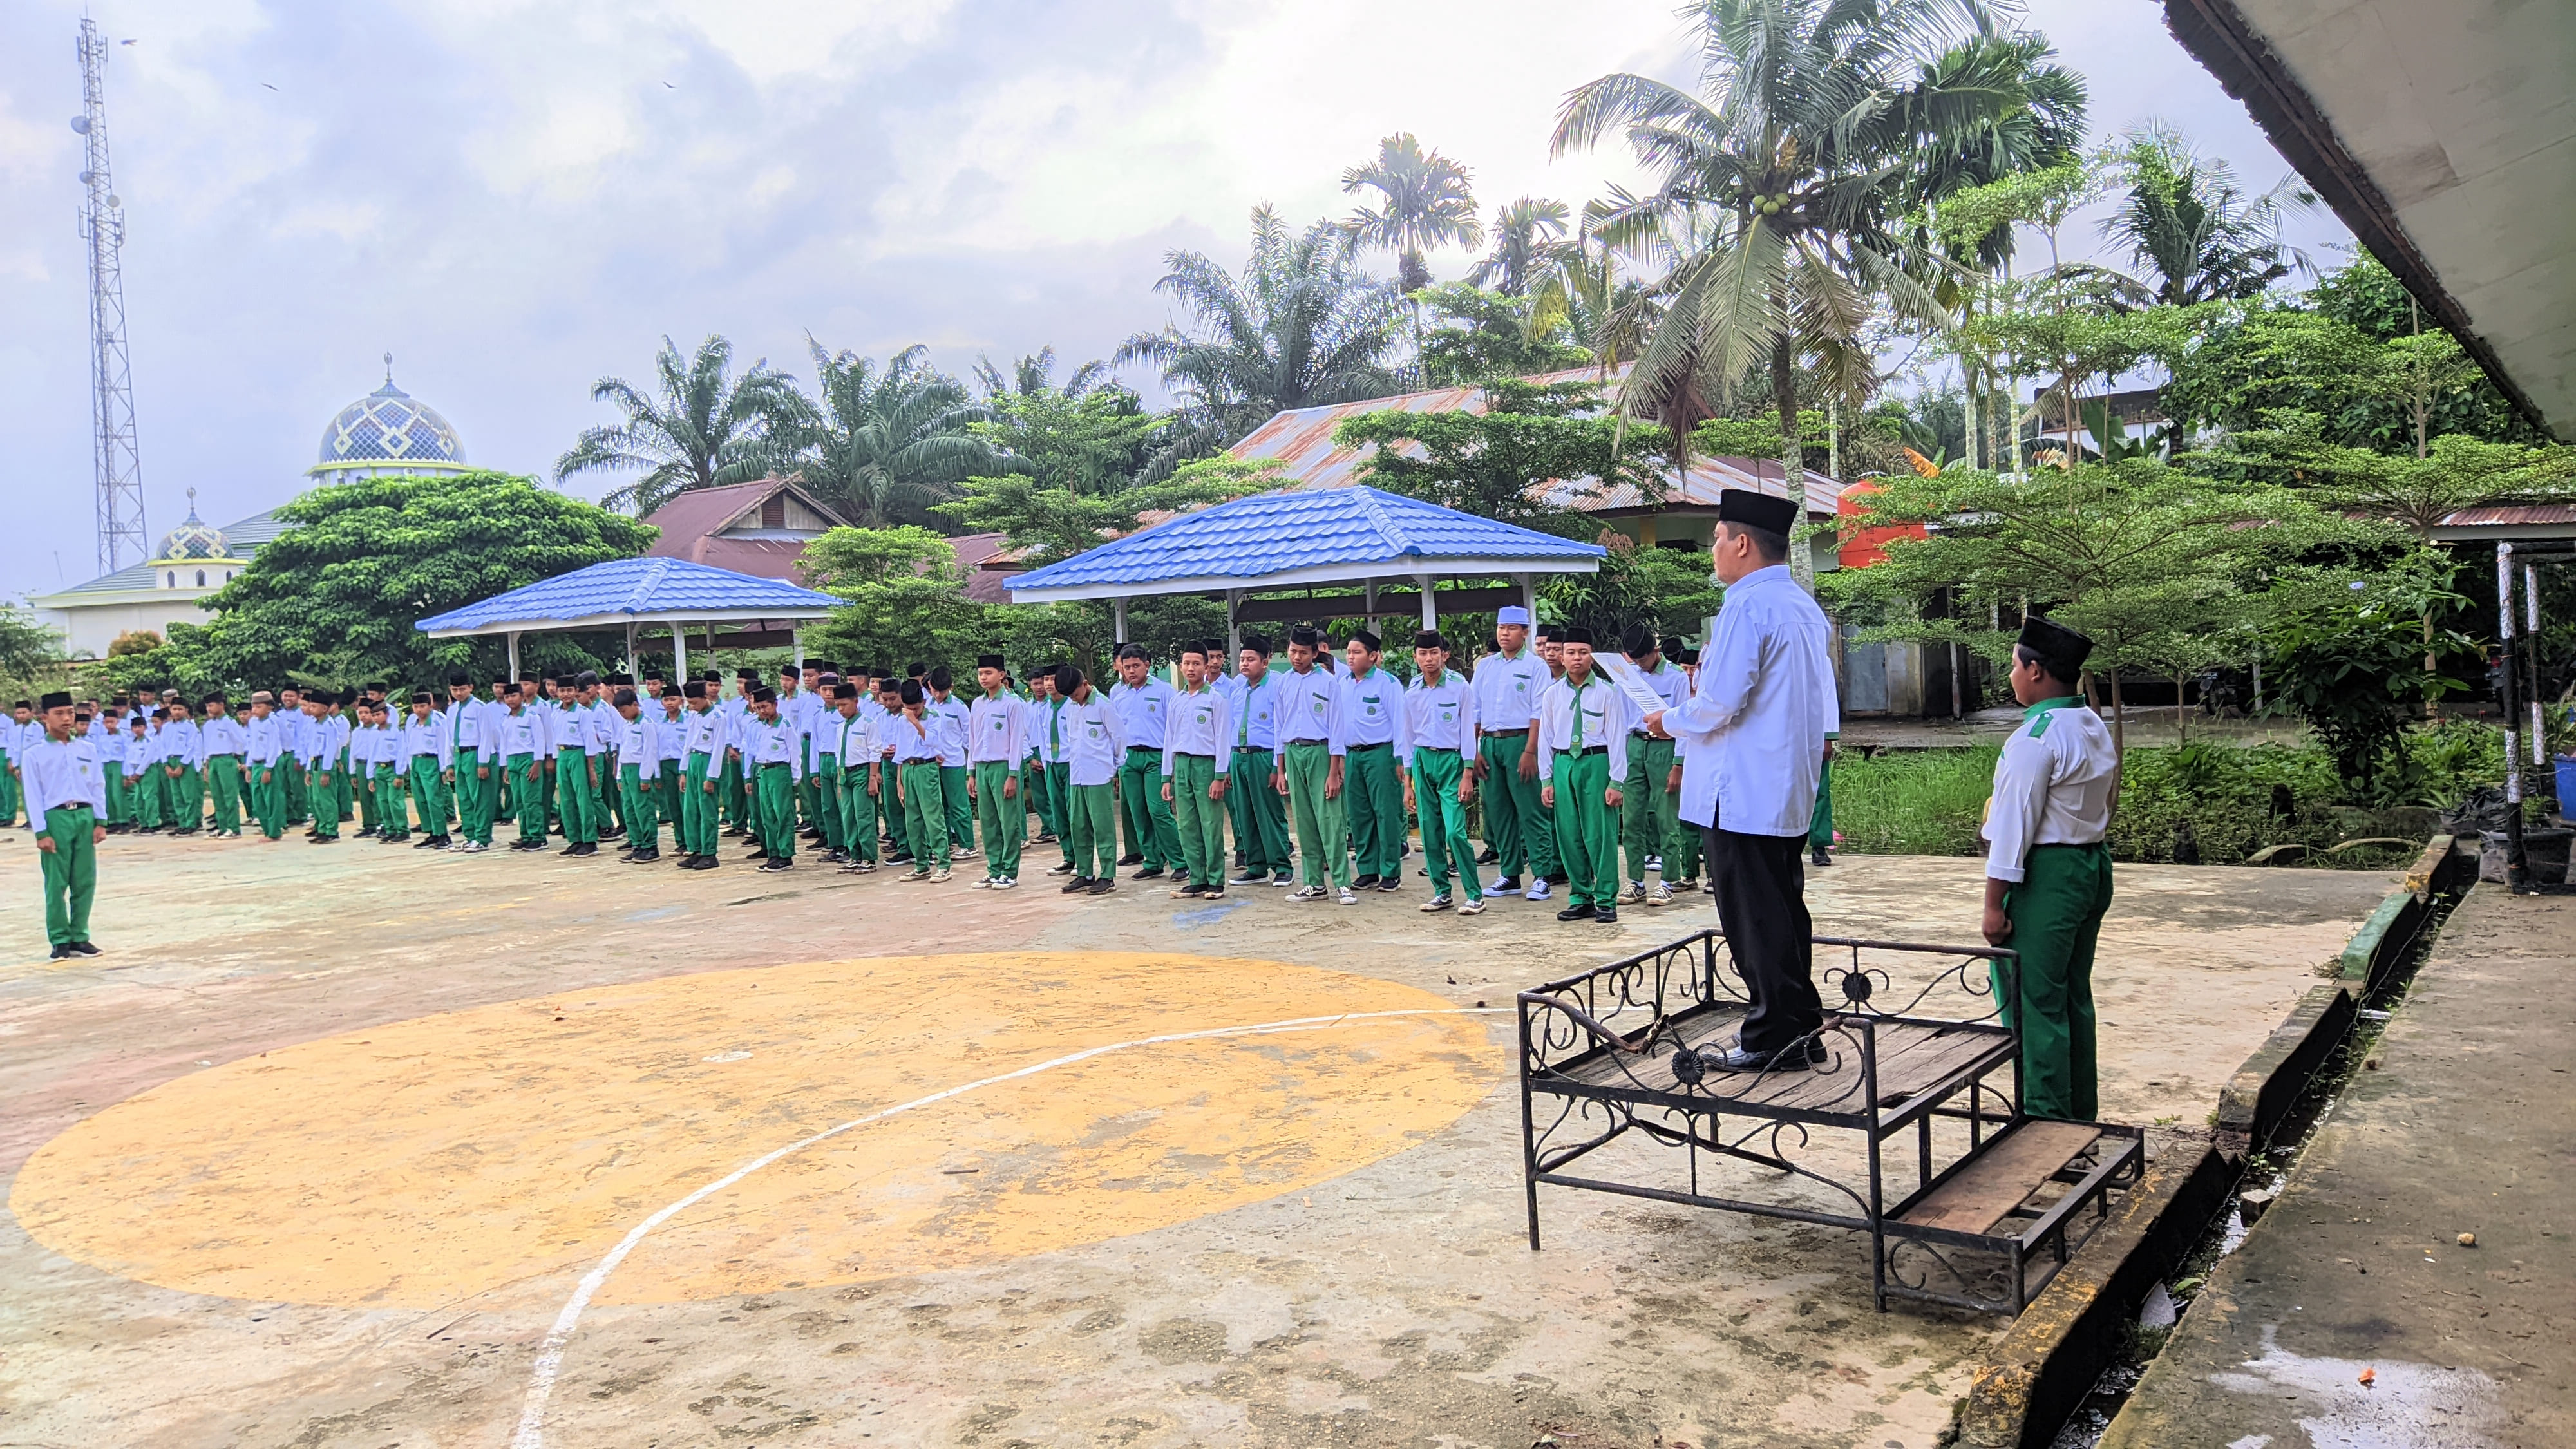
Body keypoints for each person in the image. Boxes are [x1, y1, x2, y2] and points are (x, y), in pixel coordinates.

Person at [1649, 489, 1839, 1073]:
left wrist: (1666, 721)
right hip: (1781, 788)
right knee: (1782, 909)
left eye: (1716, 538)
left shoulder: (1745, 606)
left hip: (1742, 791)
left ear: (1743, 543)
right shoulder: (1803, 606)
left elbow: (1720, 702)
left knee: (1754, 918)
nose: (1713, 550)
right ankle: (1799, 1025)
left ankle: (1770, 1035)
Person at [1981, 615, 2118, 1122]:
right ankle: (2079, 1113)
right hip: (2090, 865)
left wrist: (1994, 904)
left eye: (2014, 665)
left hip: (2047, 876)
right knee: (2072, 997)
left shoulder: (2035, 737)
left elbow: (2012, 831)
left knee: (2034, 1004)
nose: (2011, 675)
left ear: (2036, 671)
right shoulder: (2090, 724)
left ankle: (2046, 1123)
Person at [1537, 628, 1631, 923]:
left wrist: (1616, 781)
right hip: (1564, 763)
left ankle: (1606, 899)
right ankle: (1580, 896)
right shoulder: (1552, 694)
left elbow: (1617, 737)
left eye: (1583, 652)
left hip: (1596, 762)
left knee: (1600, 835)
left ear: (1593, 656)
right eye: (1571, 653)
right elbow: (1546, 737)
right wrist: (1547, 779)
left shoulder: (1607, 692)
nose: (1577, 658)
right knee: (1569, 834)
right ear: (1561, 657)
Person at [1472, 605, 1552, 901]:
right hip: (1490, 743)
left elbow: (1538, 712)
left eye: (1512, 628)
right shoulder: (1486, 667)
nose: (1504, 634)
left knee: (1531, 811)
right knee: (1498, 811)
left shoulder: (1535, 667)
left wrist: (1531, 751)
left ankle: (1543, 874)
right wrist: (1475, 751)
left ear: (1525, 632)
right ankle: (1510, 874)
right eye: (1501, 628)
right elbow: (1475, 710)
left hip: (1521, 741)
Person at [1403, 630, 1484, 914]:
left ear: (1444, 655)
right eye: (1423, 654)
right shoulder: (1412, 692)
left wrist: (1467, 772)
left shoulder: (1460, 687)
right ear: (1415, 656)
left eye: (1434, 653)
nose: (1429, 659)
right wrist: (1408, 781)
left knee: (1456, 833)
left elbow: (1466, 733)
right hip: (1423, 760)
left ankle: (1475, 895)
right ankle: (1442, 892)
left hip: (1452, 763)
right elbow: (1408, 737)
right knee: (1429, 831)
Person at [23, 692, 106, 959]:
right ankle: (60, 939)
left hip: (84, 816)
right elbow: (33, 795)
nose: (67, 719)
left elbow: (97, 785)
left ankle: (79, 936)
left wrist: (100, 821)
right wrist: (41, 831)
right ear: (45, 718)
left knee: (85, 881)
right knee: (57, 883)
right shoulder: (34, 754)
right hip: (56, 818)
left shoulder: (87, 749)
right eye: (59, 714)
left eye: (70, 712)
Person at [1275, 627, 1354, 905]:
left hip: (1321, 753)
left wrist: (1334, 772)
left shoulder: (1328, 682)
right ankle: (1313, 883)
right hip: (1293, 753)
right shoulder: (1283, 683)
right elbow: (1279, 728)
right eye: (1293, 651)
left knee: (1330, 820)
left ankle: (1343, 884)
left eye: (1303, 653)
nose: (1297, 657)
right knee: (1305, 821)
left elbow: (1336, 728)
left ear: (1315, 653)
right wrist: (1281, 769)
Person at [1332, 630, 1406, 892]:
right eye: (1349, 652)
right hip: (1352, 755)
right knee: (1359, 814)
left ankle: (1390, 871)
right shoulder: (1342, 684)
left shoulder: (1388, 684)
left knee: (1386, 813)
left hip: (1381, 754)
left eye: (1357, 652)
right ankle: (1367, 870)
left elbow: (1400, 722)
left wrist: (1400, 759)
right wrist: (1339, 758)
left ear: (1373, 656)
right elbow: (1337, 723)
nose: (1350, 657)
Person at [1161, 643, 1235, 900]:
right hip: (1181, 766)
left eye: (1196, 664)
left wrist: (1219, 776)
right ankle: (1197, 878)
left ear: (1206, 667)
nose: (1190, 668)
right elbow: (1169, 739)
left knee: (1210, 824)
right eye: (1186, 663)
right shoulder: (1176, 700)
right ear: (1181, 667)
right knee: (1187, 825)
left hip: (1206, 766)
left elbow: (1223, 739)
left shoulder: (1216, 699)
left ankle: (1215, 881)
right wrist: (1166, 777)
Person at [1618, 628, 1685, 907]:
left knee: (1666, 817)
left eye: (1643, 659)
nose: (1641, 664)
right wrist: (1619, 765)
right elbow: (1623, 720)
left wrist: (1678, 765)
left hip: (1664, 747)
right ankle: (1636, 881)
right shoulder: (1630, 677)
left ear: (1655, 651)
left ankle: (1669, 880)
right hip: (1635, 745)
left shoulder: (1677, 677)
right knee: (1632, 818)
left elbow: (1683, 724)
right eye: (1635, 660)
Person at [1108, 645, 1181, 879]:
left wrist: (1171, 765)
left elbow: (1174, 728)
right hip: (1130, 759)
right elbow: (1116, 734)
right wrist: (1117, 766)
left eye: (1136, 666)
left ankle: (1181, 861)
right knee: (1138, 812)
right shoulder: (1120, 697)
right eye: (1127, 667)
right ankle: (1152, 861)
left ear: (1147, 665)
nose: (1131, 671)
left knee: (1158, 810)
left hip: (1156, 757)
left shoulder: (1164, 692)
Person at [1224, 638, 1292, 887]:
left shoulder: (1277, 686)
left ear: (1265, 662)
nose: (1245, 664)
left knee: (1270, 813)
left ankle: (1282, 866)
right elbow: (1230, 726)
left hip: (1263, 756)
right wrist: (1227, 767)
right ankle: (1256, 866)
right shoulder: (1237, 688)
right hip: (1238, 756)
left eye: (1251, 660)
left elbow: (1280, 728)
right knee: (1245, 813)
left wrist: (1277, 766)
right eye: (1242, 659)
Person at [1052, 664, 1120, 895]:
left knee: (1102, 827)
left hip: (1099, 774)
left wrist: (1115, 767)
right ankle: (1085, 873)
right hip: (1077, 774)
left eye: (1076, 693)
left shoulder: (1103, 706)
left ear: (1085, 683)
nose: (1074, 698)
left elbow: (1119, 738)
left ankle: (1108, 876)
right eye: (1069, 696)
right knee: (1078, 825)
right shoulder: (1071, 707)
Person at [965, 655, 1028, 889]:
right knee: (989, 822)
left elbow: (1016, 742)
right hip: (981, 767)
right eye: (981, 673)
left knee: (1008, 821)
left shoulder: (1013, 704)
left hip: (1003, 767)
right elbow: (972, 738)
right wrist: (971, 772)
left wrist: (1013, 775)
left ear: (1001, 675)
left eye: (988, 673)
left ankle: (1010, 871)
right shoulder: (977, 704)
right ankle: (994, 869)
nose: (983, 678)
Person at [888, 679, 952, 882]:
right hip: (908, 769)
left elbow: (933, 741)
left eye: (915, 708)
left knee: (933, 817)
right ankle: (921, 864)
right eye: (908, 709)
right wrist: (899, 782)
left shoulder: (933, 717)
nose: (912, 712)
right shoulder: (901, 720)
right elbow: (900, 752)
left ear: (923, 702)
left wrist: (916, 723)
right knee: (913, 820)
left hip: (926, 767)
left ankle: (943, 864)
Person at [741, 686, 801, 873]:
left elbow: (795, 753)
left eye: (765, 707)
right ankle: (773, 853)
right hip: (763, 772)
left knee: (783, 814)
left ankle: (786, 855)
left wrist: (794, 779)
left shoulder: (785, 726)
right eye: (758, 708)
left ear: (775, 704)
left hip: (780, 772)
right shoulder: (760, 727)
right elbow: (753, 753)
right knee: (767, 815)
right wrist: (750, 776)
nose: (762, 711)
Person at [443, 671, 498, 853]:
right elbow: (449, 738)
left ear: (470, 688)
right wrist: (449, 764)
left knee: (480, 797)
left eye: (462, 689)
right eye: (455, 690)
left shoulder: (480, 708)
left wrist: (483, 763)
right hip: (460, 755)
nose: (459, 693)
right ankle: (470, 835)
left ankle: (482, 837)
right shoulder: (452, 710)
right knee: (464, 798)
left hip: (475, 754)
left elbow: (486, 737)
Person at [830, 682, 882, 875]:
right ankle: (855, 856)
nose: (841, 709)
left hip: (862, 772)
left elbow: (875, 751)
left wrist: (872, 777)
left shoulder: (868, 723)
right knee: (848, 817)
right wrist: (839, 781)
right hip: (845, 774)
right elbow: (838, 754)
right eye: (838, 706)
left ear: (856, 701)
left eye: (844, 705)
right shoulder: (840, 727)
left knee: (864, 816)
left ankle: (869, 858)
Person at [611, 688, 663, 863]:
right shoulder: (626, 725)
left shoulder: (646, 724)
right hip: (626, 769)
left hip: (640, 770)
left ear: (635, 705)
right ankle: (637, 844)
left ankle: (650, 846)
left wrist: (646, 777)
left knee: (643, 809)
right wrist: (619, 775)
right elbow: (622, 750)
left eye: (624, 710)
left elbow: (650, 752)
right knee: (630, 810)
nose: (623, 715)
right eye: (619, 712)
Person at [497, 685, 550, 851]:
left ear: (521, 696)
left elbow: (540, 741)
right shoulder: (505, 719)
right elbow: (504, 745)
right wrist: (505, 767)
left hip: (528, 759)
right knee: (519, 801)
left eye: (514, 696)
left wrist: (537, 763)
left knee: (531, 800)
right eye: (507, 697)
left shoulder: (531, 716)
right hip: (512, 761)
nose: (511, 700)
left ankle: (538, 837)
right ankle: (526, 835)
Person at [245, 692, 289, 841]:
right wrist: (249, 767)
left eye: (259, 707)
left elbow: (273, 747)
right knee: (258, 799)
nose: (255, 710)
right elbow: (252, 745)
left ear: (269, 707)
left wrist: (269, 769)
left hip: (270, 763)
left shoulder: (272, 724)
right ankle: (266, 829)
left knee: (272, 798)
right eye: (253, 706)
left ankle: (275, 831)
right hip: (256, 763)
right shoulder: (253, 723)